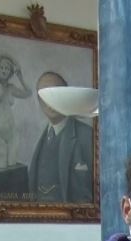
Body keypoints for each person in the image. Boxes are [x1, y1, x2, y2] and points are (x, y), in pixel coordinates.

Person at [27, 71, 94, 203]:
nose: (50, 101)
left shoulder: (88, 136)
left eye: (55, 94)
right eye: (44, 96)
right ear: (39, 101)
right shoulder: (42, 138)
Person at [0, 54, 31, 169]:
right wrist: (12, 59)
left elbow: (28, 93)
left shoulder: (11, 87)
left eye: (7, 68)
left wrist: (20, 77)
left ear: (10, 72)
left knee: (12, 169)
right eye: (1, 67)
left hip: (11, 132)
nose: (4, 70)